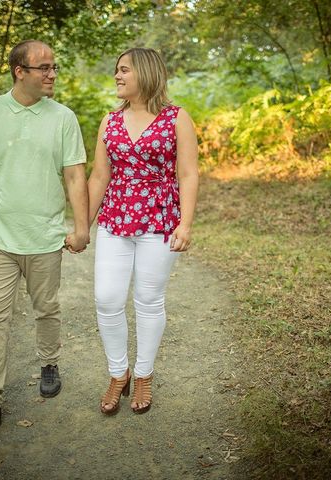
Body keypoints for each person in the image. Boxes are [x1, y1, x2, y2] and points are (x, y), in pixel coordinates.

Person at [0, 39, 89, 433]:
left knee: (46, 308)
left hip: (45, 237)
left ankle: (49, 362)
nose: (51, 74)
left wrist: (81, 228)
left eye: (54, 67)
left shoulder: (63, 117)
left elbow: (74, 175)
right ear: (19, 71)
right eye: (43, 68)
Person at [87, 47, 199, 415]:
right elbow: (100, 175)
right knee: (106, 298)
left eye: (124, 70)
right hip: (115, 220)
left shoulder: (176, 118)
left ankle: (145, 374)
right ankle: (118, 373)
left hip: (159, 220)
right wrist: (83, 225)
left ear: (147, 73)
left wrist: (185, 222)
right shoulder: (110, 121)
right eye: (116, 71)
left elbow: (188, 174)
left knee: (149, 301)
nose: (117, 76)